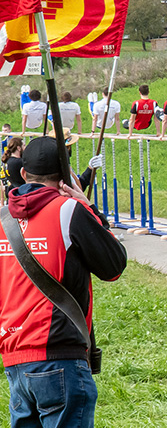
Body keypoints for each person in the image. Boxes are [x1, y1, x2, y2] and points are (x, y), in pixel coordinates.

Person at [0, 137, 126, 428]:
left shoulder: (3, 218)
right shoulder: (69, 210)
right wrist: (89, 207)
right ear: (66, 173)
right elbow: (114, 267)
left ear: (23, 174)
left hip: (15, 358)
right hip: (60, 355)